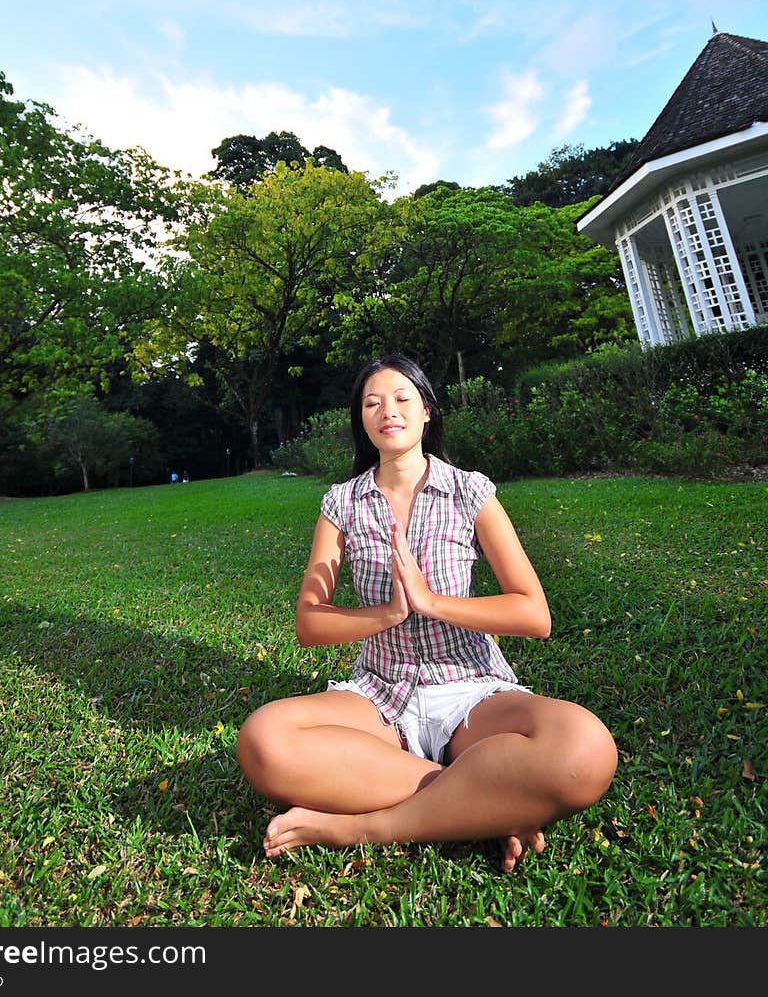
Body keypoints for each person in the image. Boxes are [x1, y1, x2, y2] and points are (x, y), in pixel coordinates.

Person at [236, 353, 618, 872]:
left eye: (401, 398)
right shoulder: (342, 504)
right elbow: (309, 621)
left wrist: (431, 603)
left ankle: (361, 828)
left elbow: (534, 613)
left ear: (427, 412)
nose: (386, 410)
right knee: (264, 740)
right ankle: (483, 802)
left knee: (585, 748)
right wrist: (389, 613)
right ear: (361, 420)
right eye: (371, 403)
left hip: (471, 689)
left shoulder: (469, 491)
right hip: (380, 695)